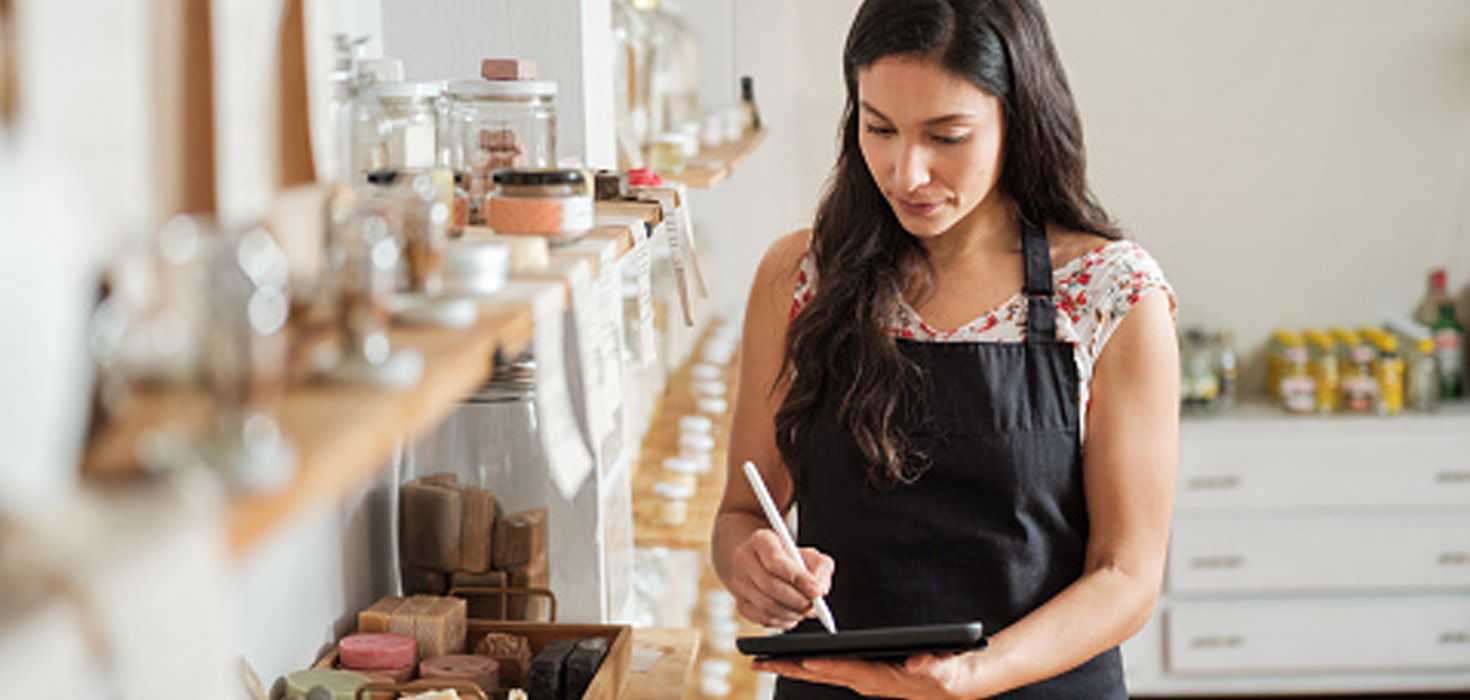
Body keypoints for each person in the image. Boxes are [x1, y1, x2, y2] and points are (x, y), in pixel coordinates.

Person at [711, 0, 1179, 697]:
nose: (906, 173)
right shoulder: (800, 278)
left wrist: (977, 675)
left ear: (1015, 121)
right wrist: (750, 566)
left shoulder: (1109, 292)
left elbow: (1127, 579)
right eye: (880, 128)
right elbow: (742, 514)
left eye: (948, 135)